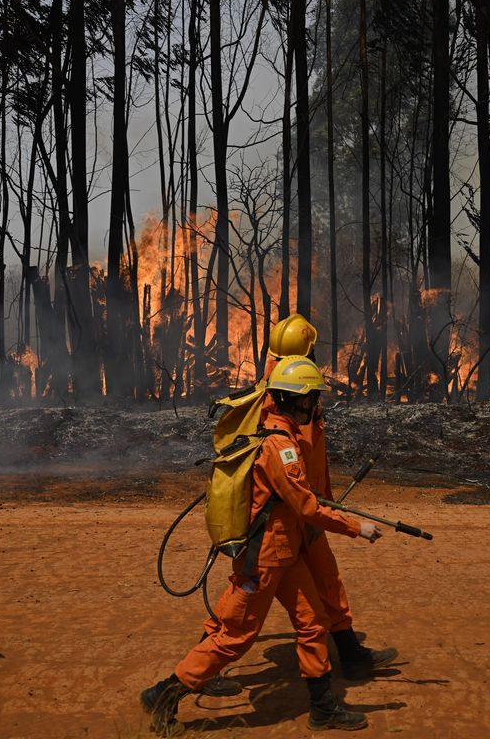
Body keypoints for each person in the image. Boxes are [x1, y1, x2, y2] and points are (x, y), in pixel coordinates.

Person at [142, 357, 384, 735]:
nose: (315, 406)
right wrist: (357, 528)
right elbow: (305, 506)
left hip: (284, 554)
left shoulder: (277, 435)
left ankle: (322, 709)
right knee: (235, 636)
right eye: (312, 399)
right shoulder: (280, 447)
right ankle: (165, 694)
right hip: (266, 559)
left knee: (312, 622)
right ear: (297, 401)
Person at [265, 315, 399, 680]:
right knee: (245, 604)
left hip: (310, 507)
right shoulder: (280, 398)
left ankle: (352, 654)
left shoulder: (293, 388)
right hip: (287, 515)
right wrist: (342, 519)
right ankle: (206, 660)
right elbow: (290, 464)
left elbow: (312, 455)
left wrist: (324, 498)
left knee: (327, 580)